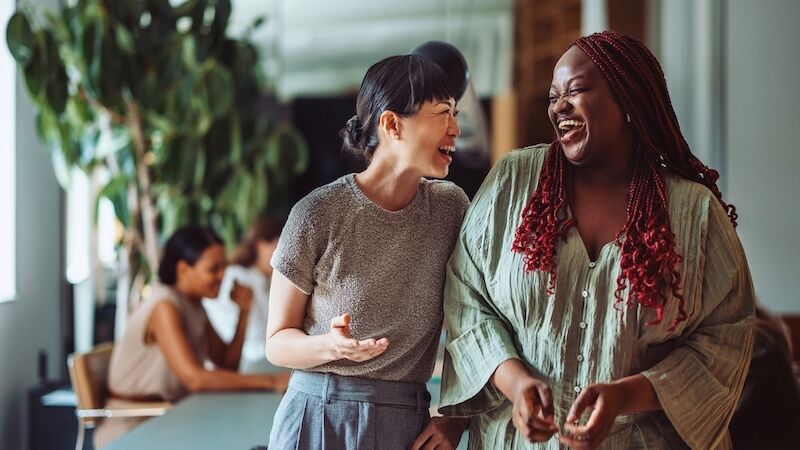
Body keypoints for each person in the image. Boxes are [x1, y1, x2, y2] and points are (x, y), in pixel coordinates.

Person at [438, 31, 755, 449]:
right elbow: (467, 299)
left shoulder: (692, 213)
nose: (559, 107)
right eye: (553, 97)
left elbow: (725, 338)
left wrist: (627, 394)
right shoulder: (513, 183)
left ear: (628, 101)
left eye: (577, 90)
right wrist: (516, 383)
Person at [266, 54, 470, 449]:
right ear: (392, 124)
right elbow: (276, 342)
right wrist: (331, 345)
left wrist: (454, 417)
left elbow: (472, 320)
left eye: (456, 114)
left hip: (407, 423)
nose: (456, 129)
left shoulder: (452, 209)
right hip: (316, 416)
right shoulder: (317, 214)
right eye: (443, 113)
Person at [95, 225, 289, 448]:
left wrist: (243, 313)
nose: (222, 276)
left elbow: (226, 364)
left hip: (170, 417)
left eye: (223, 267)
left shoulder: (195, 304)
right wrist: (274, 381)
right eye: (213, 269)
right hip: (135, 427)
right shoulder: (164, 305)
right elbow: (195, 379)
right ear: (183, 269)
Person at [203, 216, 284, 373]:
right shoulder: (240, 278)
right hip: (249, 360)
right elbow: (257, 341)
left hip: (253, 359)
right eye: (279, 246)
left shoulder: (260, 281)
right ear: (261, 245)